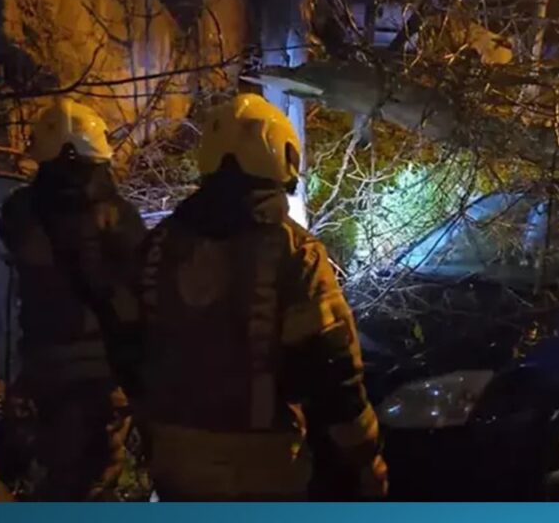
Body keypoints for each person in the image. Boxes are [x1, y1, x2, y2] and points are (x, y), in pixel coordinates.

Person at [111, 93, 387, 501]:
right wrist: (366, 462)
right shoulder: (295, 252)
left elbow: (124, 348)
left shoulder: (157, 247)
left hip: (174, 464)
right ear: (283, 159)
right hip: (263, 470)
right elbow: (334, 373)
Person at [0, 98, 145, 500]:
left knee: (56, 475)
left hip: (41, 371)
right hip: (106, 376)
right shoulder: (119, 218)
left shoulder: (21, 214)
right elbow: (141, 296)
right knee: (94, 481)